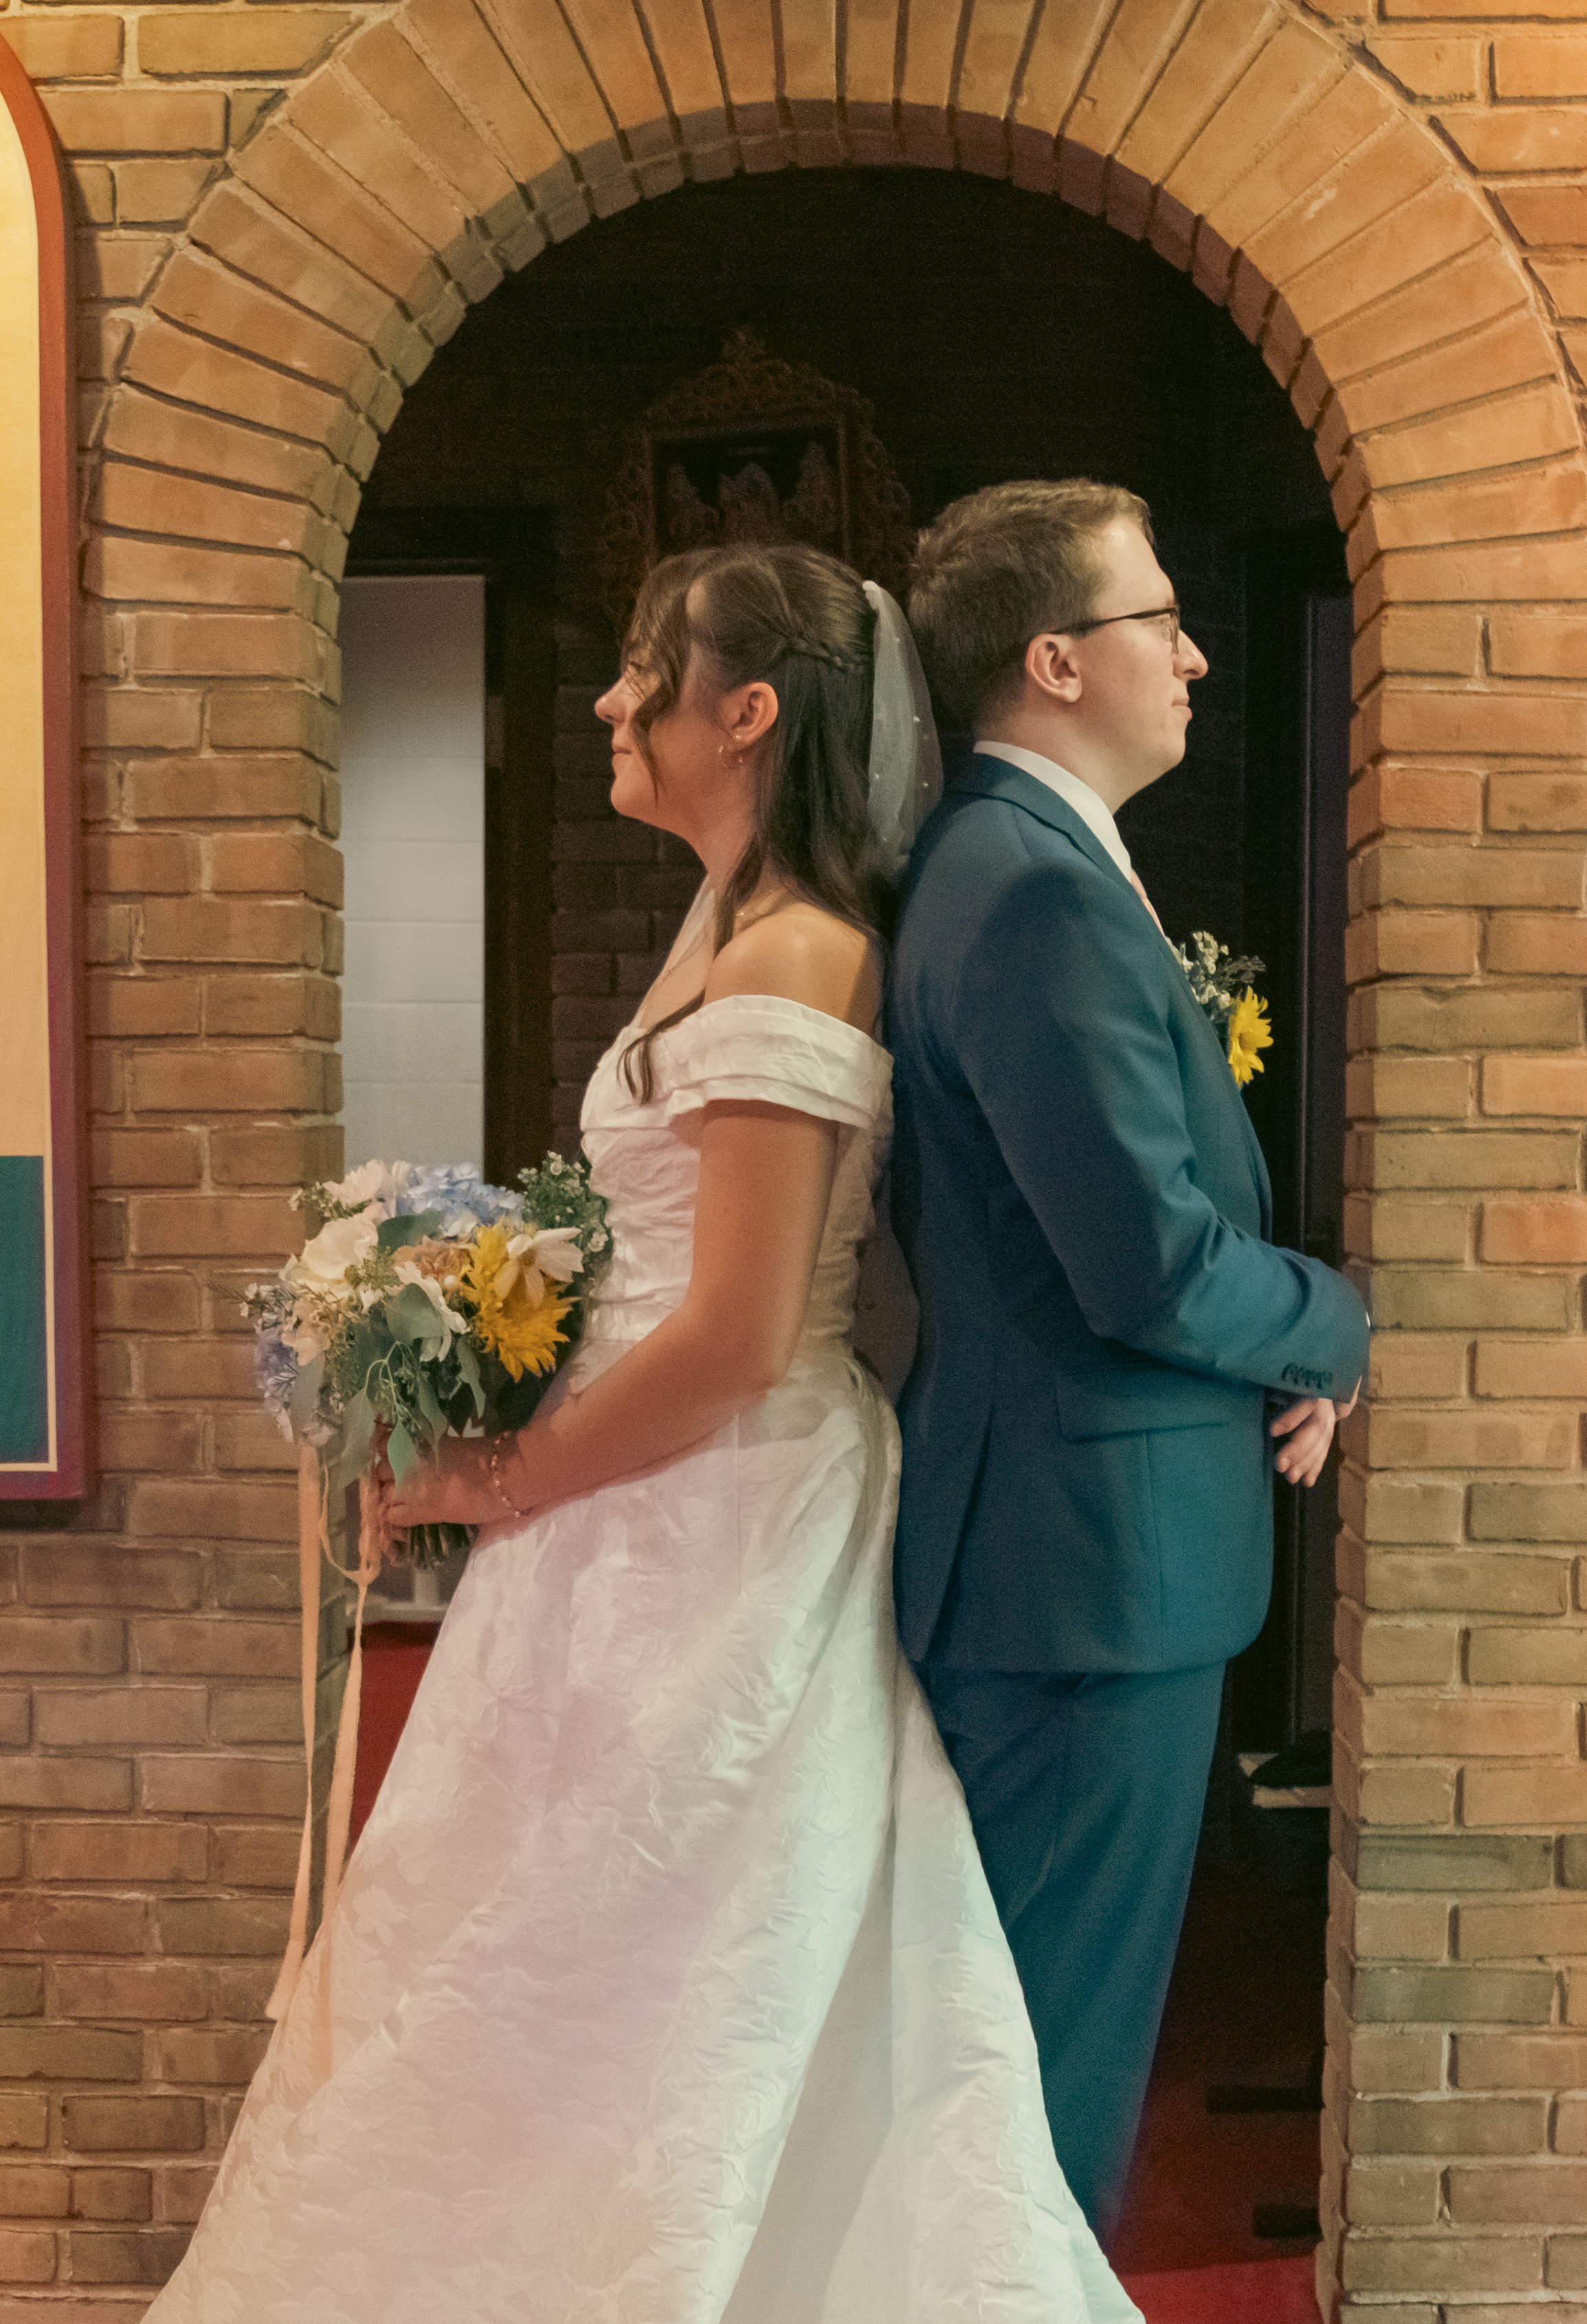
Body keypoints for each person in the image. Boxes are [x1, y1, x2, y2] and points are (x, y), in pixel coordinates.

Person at [146, 541, 1137, 2323]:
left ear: (744, 711)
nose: (609, 700)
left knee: (668, 1937)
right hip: (639, 1507)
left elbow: (737, 1335)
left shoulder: (796, 951)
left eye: (639, 672)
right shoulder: (732, 926)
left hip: (724, 1516)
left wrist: (495, 1473)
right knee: (559, 1932)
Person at [888, 479, 1370, 2246]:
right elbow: (1144, 1260)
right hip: (1085, 1580)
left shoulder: (1010, 859)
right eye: (1159, 616)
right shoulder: (1031, 888)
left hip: (1065, 1557)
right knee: (1042, 2077)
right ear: (1054, 659)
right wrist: (1334, 1323)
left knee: (1022, 2053)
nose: (1193, 652)